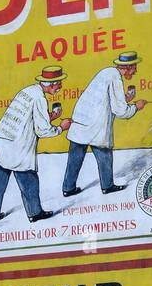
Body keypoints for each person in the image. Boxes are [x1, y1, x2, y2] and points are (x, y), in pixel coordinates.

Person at [0, 65, 71, 222]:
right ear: (52, 83)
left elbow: (26, 118)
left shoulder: (28, 91)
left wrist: (49, 117)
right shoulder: (40, 98)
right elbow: (43, 131)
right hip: (19, 149)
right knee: (29, 183)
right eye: (59, 83)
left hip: (2, 144)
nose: (60, 87)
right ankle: (34, 213)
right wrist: (61, 127)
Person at [61, 52, 146, 197]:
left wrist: (125, 98)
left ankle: (68, 188)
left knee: (75, 156)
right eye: (134, 67)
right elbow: (120, 110)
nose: (136, 71)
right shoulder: (116, 78)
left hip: (81, 121)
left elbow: (106, 99)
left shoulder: (107, 72)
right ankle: (107, 186)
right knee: (104, 155)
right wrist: (136, 107)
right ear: (128, 67)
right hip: (95, 125)